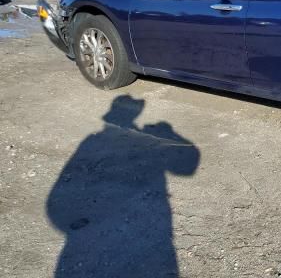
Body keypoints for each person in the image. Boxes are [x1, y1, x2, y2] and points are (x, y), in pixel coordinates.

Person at [47, 95, 200, 277]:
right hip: (148, 236)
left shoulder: (94, 140)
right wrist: (168, 133)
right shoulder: (94, 141)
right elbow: (188, 168)